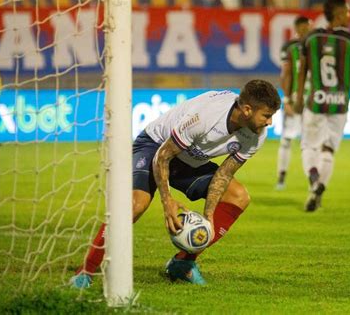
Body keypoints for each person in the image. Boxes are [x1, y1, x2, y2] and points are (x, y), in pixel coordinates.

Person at [70, 80, 280, 287]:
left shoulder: (256, 136)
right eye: (267, 116)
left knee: (238, 196)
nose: (269, 122)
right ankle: (86, 271)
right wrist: (167, 200)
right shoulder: (206, 117)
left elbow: (223, 175)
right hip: (155, 146)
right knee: (136, 204)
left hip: (191, 161)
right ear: (246, 109)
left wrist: (208, 218)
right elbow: (163, 156)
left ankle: (182, 263)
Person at [295, 0, 350, 211]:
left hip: (316, 101)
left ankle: (313, 178)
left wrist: (299, 98)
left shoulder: (311, 38)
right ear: (338, 16)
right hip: (339, 104)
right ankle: (319, 189)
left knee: (308, 146)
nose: (349, 15)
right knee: (328, 149)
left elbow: (302, 71)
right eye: (347, 12)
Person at [275, 16, 311, 190]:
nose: (306, 30)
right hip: (296, 99)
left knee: (310, 143)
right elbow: (286, 74)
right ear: (297, 28)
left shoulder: (316, 45)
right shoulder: (290, 48)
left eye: (308, 27)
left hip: (312, 101)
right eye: (303, 27)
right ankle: (281, 176)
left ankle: (313, 179)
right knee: (287, 140)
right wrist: (287, 99)